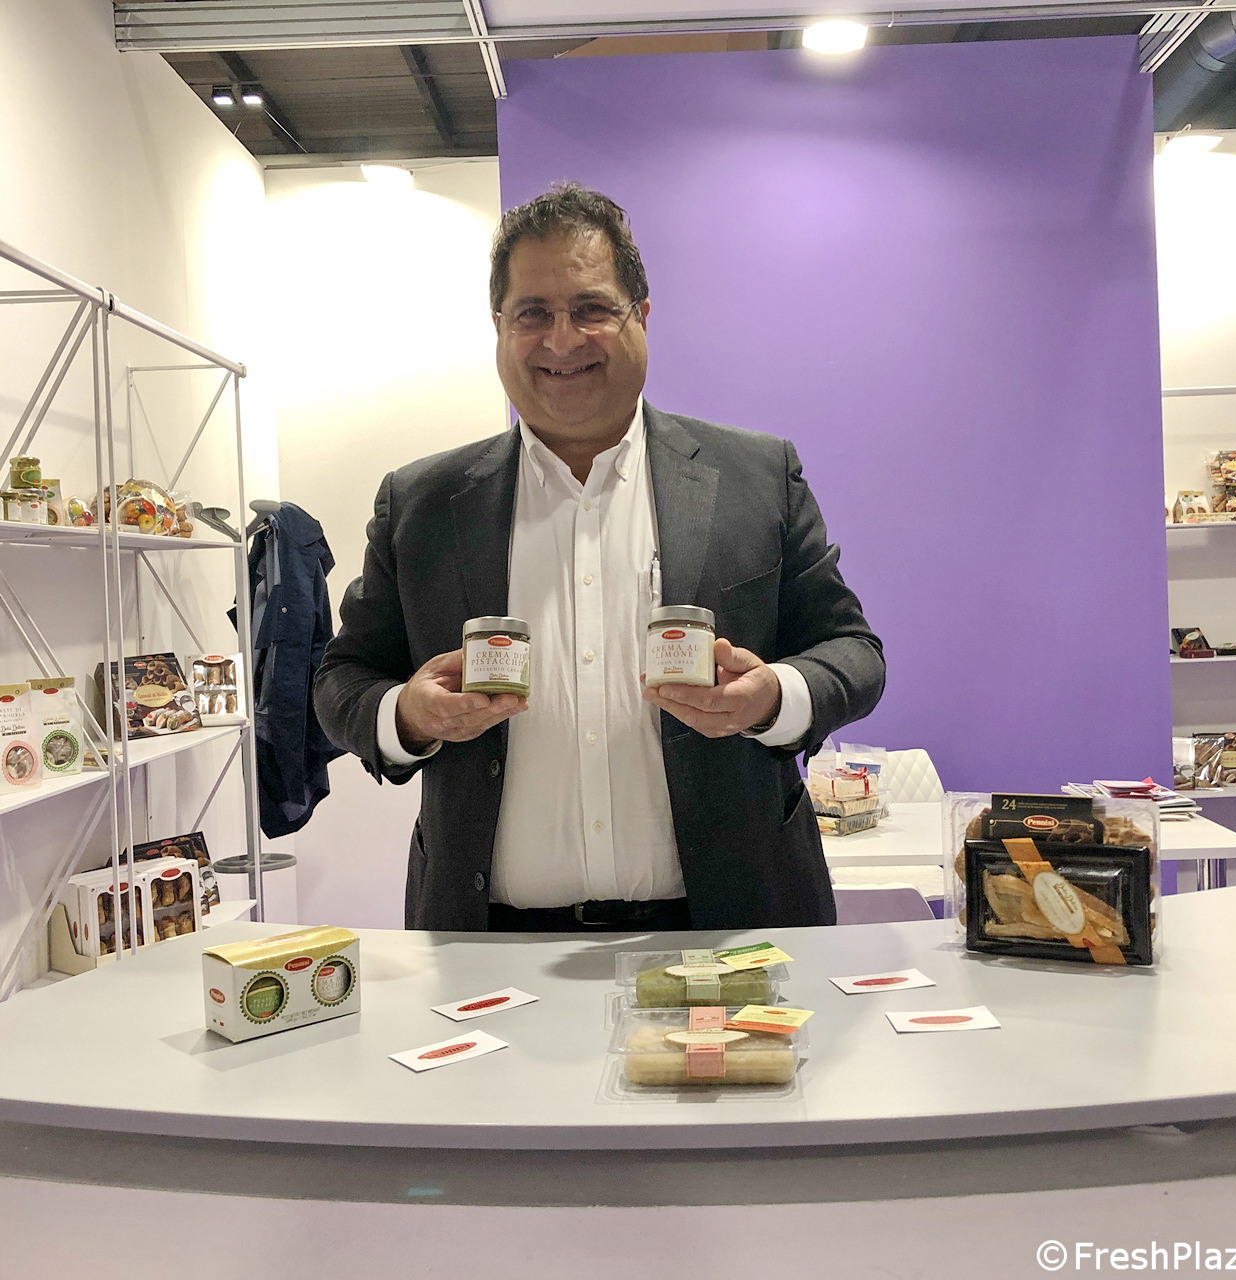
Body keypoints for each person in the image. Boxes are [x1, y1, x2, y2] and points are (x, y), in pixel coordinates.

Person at [315, 183, 885, 933]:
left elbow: (854, 653)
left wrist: (775, 696)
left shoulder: (757, 476)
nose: (562, 341)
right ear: (498, 327)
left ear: (640, 316)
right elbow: (343, 678)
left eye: (591, 308)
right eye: (532, 314)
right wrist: (406, 716)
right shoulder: (421, 503)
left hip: (731, 934)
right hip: (487, 942)